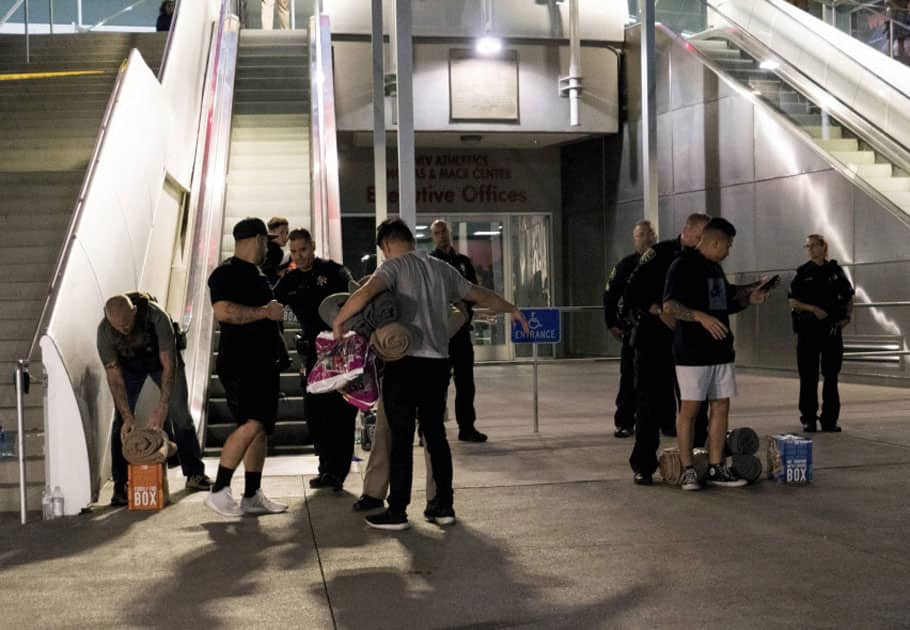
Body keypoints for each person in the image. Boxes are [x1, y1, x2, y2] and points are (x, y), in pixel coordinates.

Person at [332, 218, 528, 531]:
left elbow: (365, 293)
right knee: (435, 435)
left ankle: (397, 511)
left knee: (400, 438)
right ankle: (442, 507)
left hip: (405, 363)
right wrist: (512, 308)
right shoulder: (442, 269)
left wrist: (339, 322)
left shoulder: (394, 268)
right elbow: (478, 294)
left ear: (386, 246)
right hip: (438, 364)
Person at [662, 217, 771, 491]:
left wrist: (749, 299)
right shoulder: (682, 265)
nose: (729, 251)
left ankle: (715, 466)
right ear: (714, 242)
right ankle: (688, 469)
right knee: (690, 410)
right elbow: (669, 306)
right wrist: (699, 316)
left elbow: (725, 306)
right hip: (691, 353)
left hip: (721, 350)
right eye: (728, 245)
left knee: (721, 405)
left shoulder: (716, 270)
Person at [205, 217, 289, 517]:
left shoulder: (258, 274)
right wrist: (265, 312)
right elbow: (224, 312)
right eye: (266, 240)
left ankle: (252, 494)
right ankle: (219, 490)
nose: (269, 246)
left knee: (261, 429)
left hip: (264, 362)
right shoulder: (225, 273)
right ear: (255, 239)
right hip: (241, 362)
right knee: (251, 423)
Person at [97, 293, 212, 506]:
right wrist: (127, 416)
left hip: (161, 363)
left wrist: (163, 404)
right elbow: (114, 377)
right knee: (121, 425)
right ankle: (121, 485)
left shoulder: (155, 316)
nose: (123, 329)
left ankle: (195, 473)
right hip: (129, 368)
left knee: (180, 415)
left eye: (126, 323)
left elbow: (169, 364)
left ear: (134, 311)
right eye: (117, 326)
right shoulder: (104, 332)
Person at [623, 213, 711, 485]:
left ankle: (696, 463)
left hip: (688, 344)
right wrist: (657, 309)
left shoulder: (703, 260)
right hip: (654, 342)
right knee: (648, 405)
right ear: (689, 230)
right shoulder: (658, 255)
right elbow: (632, 292)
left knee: (696, 404)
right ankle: (644, 466)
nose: (705, 241)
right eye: (702, 235)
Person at [274, 228, 357, 492]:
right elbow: (274, 306)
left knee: (340, 413)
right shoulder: (290, 280)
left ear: (313, 246)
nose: (300, 256)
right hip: (311, 353)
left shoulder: (334, 272)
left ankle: (337, 472)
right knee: (315, 413)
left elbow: (355, 301)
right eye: (295, 252)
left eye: (304, 250)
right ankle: (325, 467)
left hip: (340, 350)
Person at [788, 234, 854, 433]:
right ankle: (808, 418)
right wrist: (813, 309)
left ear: (824, 247)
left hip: (831, 332)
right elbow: (793, 301)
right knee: (808, 377)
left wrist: (847, 318)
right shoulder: (802, 273)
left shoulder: (836, 271)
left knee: (831, 376)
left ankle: (829, 420)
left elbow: (849, 296)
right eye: (807, 246)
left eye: (813, 246)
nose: (810, 249)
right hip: (808, 332)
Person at [429, 219, 487, 443]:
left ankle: (467, 427)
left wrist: (467, 308)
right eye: (436, 233)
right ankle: (429, 429)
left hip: (461, 332)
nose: (441, 235)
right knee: (436, 384)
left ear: (449, 233)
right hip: (439, 333)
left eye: (443, 231)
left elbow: (474, 290)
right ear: (432, 237)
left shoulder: (463, 262)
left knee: (465, 382)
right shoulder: (430, 262)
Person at [603, 220, 656, 439]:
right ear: (635, 238)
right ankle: (625, 421)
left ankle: (666, 421)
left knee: (663, 378)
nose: (646, 238)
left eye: (649, 233)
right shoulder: (625, 266)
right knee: (629, 377)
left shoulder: (664, 262)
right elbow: (610, 296)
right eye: (641, 234)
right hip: (634, 330)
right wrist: (612, 323)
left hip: (661, 329)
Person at [262, 217, 290, 285]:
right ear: (271, 233)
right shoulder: (276, 251)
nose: (286, 237)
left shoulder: (264, 246)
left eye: (287, 233)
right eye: (282, 233)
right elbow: (267, 271)